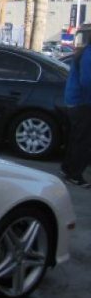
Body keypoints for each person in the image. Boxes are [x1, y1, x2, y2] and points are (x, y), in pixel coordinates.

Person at [61, 38, 91, 187]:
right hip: (83, 103)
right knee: (84, 141)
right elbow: (87, 81)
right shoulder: (89, 54)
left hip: (76, 101)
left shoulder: (84, 52)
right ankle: (75, 175)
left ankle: (67, 169)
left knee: (76, 138)